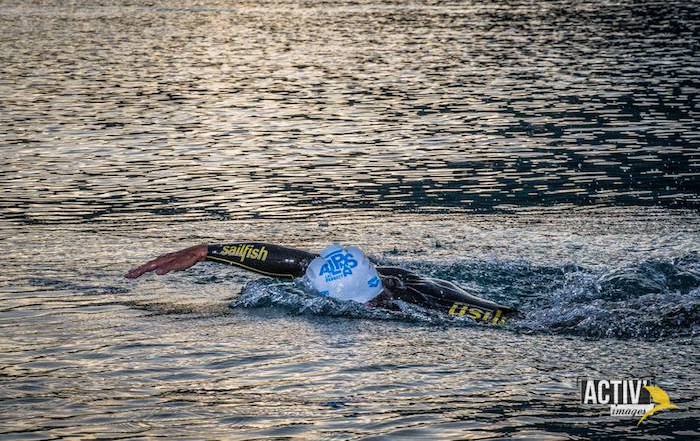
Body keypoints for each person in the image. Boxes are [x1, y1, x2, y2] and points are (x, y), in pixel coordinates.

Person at [125, 242, 517, 325]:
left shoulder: (423, 312)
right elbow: (291, 261)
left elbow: (503, 319)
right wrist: (208, 250)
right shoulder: (391, 280)